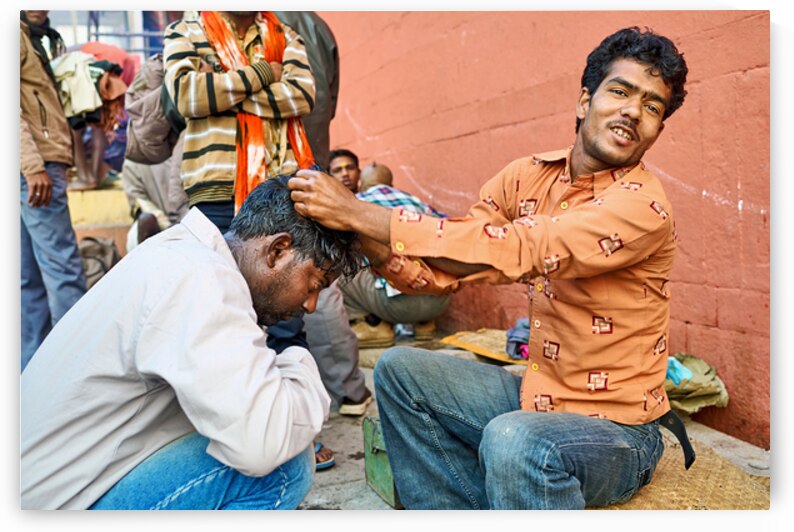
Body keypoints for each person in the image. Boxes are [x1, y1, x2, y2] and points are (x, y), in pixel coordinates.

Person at [288, 26, 691, 509]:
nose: (633, 111)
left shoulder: (643, 205)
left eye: (652, 107)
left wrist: (361, 212)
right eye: (621, 91)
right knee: (398, 370)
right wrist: (366, 240)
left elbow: (521, 247)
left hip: (620, 433)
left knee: (515, 439)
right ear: (585, 101)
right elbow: (443, 271)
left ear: (658, 130)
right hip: (540, 395)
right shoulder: (525, 176)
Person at [21, 177, 363, 510]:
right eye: (315, 283)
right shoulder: (201, 278)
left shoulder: (182, 254)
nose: (310, 304)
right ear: (277, 250)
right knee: (283, 466)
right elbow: (262, 444)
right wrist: (299, 363)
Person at [19, 10, 87, 371]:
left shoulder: (34, 37)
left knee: (26, 280)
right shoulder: (15, 32)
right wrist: (32, 167)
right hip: (35, 166)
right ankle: (75, 373)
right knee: (63, 271)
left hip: (26, 166)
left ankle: (31, 376)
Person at [341, 160, 451, 348]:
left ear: (362, 184)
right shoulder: (417, 202)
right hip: (438, 300)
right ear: (390, 184)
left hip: (392, 306)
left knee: (340, 260)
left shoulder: (356, 204)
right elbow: (450, 232)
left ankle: (370, 326)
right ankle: (424, 325)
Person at [274, 11, 339, 170]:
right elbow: (332, 100)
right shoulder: (320, 26)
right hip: (316, 147)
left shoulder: (255, 18)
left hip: (278, 148)